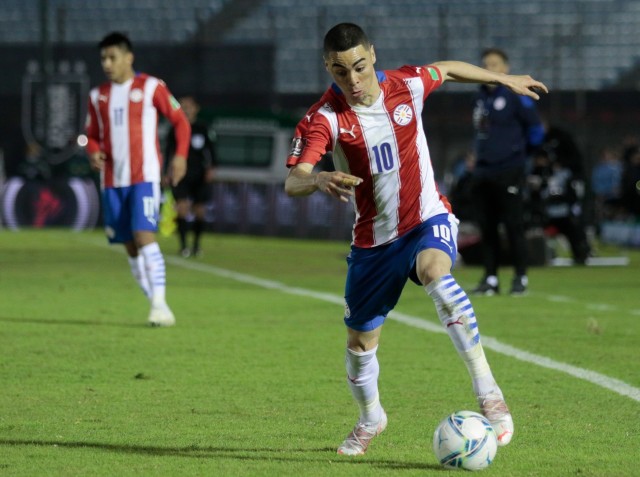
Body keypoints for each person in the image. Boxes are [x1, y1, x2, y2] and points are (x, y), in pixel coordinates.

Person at [285, 23, 547, 456]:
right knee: (359, 346)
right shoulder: (323, 119)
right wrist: (318, 178)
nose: (352, 80)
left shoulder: (406, 85)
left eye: (359, 67)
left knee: (436, 274)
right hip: (374, 242)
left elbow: (445, 70)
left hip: (427, 217)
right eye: (339, 71)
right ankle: (371, 418)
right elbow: (293, 180)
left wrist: (504, 79)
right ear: (327, 67)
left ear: (372, 54)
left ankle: (489, 392)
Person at [85, 32, 191, 327]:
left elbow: (180, 121)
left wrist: (180, 156)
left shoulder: (151, 87)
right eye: (103, 58)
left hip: (144, 177)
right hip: (111, 182)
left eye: (112, 57)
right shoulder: (97, 96)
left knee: (144, 237)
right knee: (130, 247)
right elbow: (91, 136)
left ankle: (159, 305)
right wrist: (92, 152)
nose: (107, 64)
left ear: (128, 57)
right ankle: (156, 305)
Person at [471, 48, 545, 296]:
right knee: (487, 227)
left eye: (494, 64)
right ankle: (491, 279)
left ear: (506, 68)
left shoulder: (515, 95)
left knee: (514, 226)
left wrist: (519, 155)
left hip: (509, 169)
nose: (489, 68)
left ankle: (520, 277)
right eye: (485, 64)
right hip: (484, 171)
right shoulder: (481, 96)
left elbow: (536, 130)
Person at [165, 95, 216, 258]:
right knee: (182, 208)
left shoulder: (203, 128)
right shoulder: (174, 128)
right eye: (182, 106)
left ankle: (196, 245)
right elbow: (168, 153)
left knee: (199, 210)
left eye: (189, 106)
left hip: (199, 173)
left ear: (196, 108)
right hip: (180, 174)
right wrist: (166, 172)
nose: (186, 109)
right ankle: (183, 246)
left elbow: (212, 151)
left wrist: (211, 169)